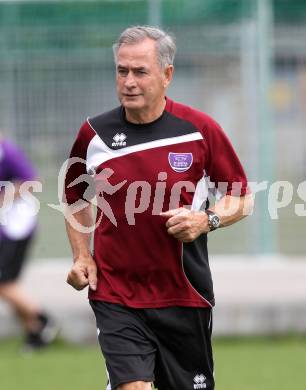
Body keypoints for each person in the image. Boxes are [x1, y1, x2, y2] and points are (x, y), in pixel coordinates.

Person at [64, 26, 253, 390]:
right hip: (117, 293)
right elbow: (75, 200)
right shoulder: (94, 135)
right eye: (122, 71)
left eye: (140, 71)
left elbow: (242, 198)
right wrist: (81, 257)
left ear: (167, 75)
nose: (129, 82)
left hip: (185, 294)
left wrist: (206, 219)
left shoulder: (199, 130)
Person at [0, 136, 58, 350]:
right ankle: (35, 332)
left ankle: (43, 321)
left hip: (16, 227)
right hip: (6, 228)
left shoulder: (6, 151)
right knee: (8, 284)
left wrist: (5, 195)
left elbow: (33, 180)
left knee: (4, 284)